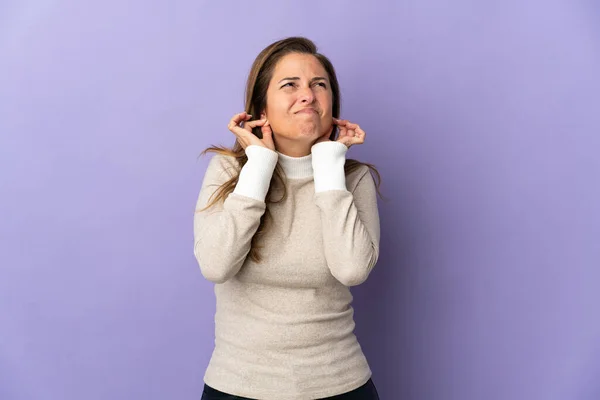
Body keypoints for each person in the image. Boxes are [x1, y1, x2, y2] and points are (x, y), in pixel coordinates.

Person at [193, 36, 382, 400]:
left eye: (319, 85)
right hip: (238, 386)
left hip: (341, 385)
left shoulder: (352, 179)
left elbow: (353, 270)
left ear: (332, 104)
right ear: (261, 105)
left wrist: (328, 166)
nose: (308, 95)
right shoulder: (228, 172)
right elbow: (216, 265)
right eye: (289, 85)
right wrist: (260, 165)